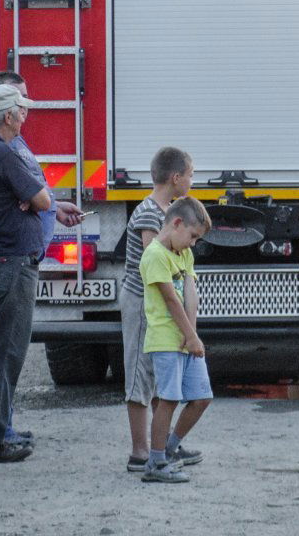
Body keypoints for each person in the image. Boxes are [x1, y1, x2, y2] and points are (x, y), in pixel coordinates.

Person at [0, 70, 81, 447]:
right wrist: (35, 199)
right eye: (20, 107)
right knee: (3, 352)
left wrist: (39, 201)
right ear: (7, 115)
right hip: (8, 263)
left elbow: (36, 199)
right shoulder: (1, 151)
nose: (25, 114)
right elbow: (38, 197)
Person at [121, 147, 195, 471]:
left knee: (156, 373)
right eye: (190, 175)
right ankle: (140, 452)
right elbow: (155, 263)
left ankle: (160, 447)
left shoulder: (165, 211)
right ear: (175, 177)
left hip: (155, 305)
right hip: (142, 302)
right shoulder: (149, 213)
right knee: (140, 373)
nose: (192, 181)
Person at [140, 196, 213, 483]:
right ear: (177, 223)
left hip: (185, 338)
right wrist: (189, 336)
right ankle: (155, 463)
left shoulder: (183, 254)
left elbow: (191, 294)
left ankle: (169, 450)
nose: (193, 243)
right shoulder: (155, 255)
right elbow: (171, 299)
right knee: (168, 400)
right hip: (164, 340)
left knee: (202, 397)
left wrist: (191, 334)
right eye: (192, 236)